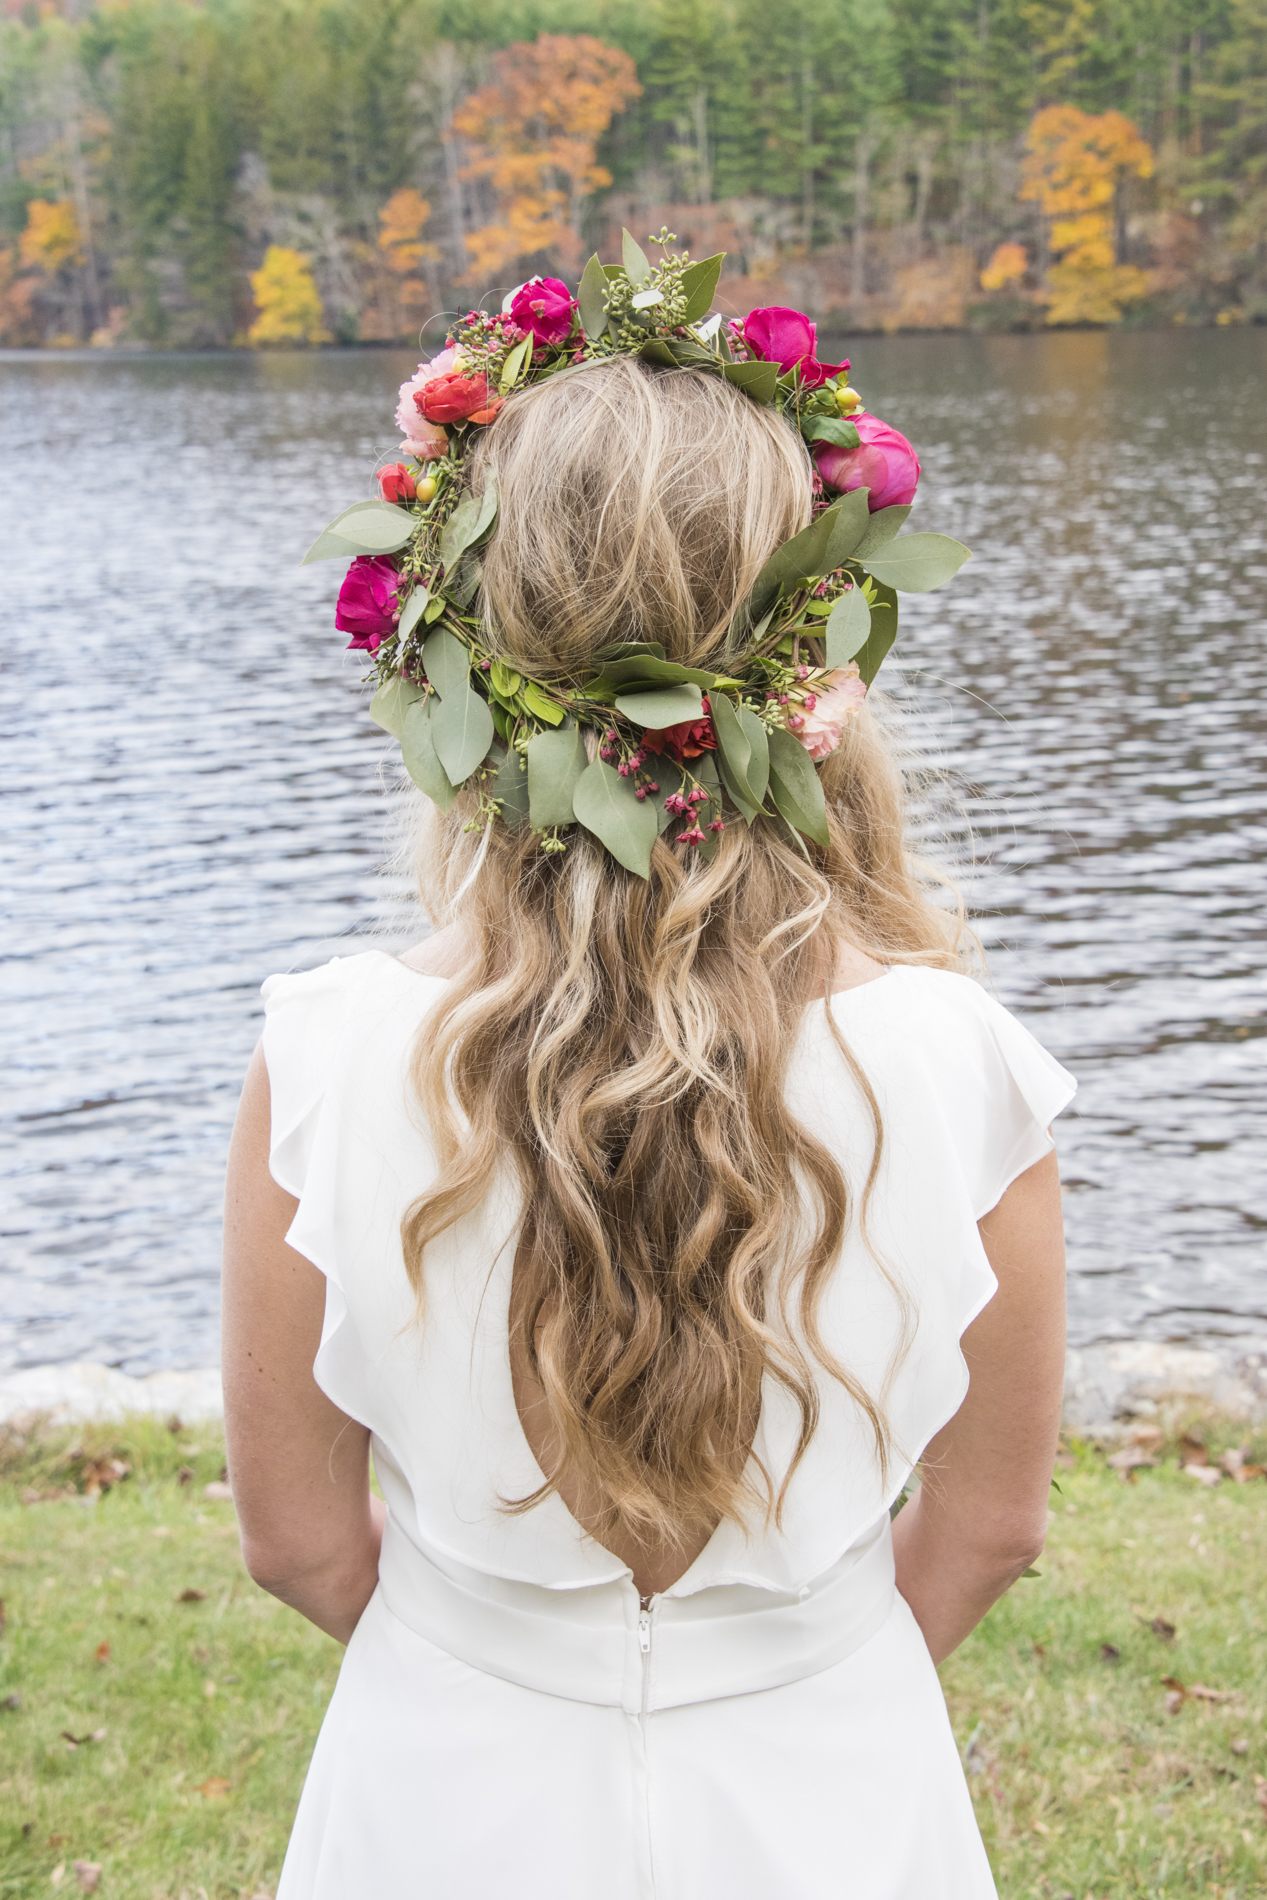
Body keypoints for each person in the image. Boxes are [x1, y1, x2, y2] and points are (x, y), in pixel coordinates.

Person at [222, 289, 1073, 1898]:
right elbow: (990, 1529)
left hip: (439, 1792)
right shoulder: (966, 1069)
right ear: (814, 645)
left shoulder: (323, 1059)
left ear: (459, 653)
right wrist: (810, 1669)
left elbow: (300, 1542)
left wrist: (480, 1653)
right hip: (837, 1782)